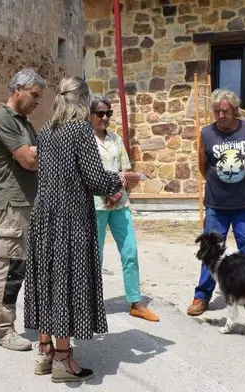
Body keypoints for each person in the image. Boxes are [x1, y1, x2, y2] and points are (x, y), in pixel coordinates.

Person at [24, 77, 138, 383]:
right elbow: (96, 179)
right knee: (64, 283)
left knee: (46, 280)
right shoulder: (80, 131)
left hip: (43, 216)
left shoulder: (46, 131)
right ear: (83, 101)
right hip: (70, 218)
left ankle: (45, 351)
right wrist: (122, 179)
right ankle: (63, 359)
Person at [187, 88, 245, 317]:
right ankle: (202, 296)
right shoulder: (207, 133)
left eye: (225, 111)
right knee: (209, 251)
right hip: (216, 205)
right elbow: (203, 166)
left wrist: (244, 180)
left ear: (234, 111)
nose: (221, 115)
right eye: (217, 111)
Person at [0, 68, 44, 352]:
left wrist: (37, 151)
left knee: (23, 266)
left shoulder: (24, 123)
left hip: (30, 203)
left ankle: (14, 323)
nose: (37, 102)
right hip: (15, 205)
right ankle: (1, 330)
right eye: (34, 95)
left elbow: (36, 154)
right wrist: (36, 153)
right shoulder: (2, 119)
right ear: (17, 89)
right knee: (11, 267)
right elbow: (29, 161)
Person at [89, 94, 159, 322]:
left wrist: (117, 193)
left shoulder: (116, 140)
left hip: (119, 204)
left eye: (108, 113)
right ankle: (90, 304)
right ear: (90, 115)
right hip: (96, 205)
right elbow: (88, 175)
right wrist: (106, 193)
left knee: (130, 251)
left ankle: (135, 301)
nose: (104, 118)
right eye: (100, 113)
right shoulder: (85, 141)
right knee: (94, 256)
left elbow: (126, 171)